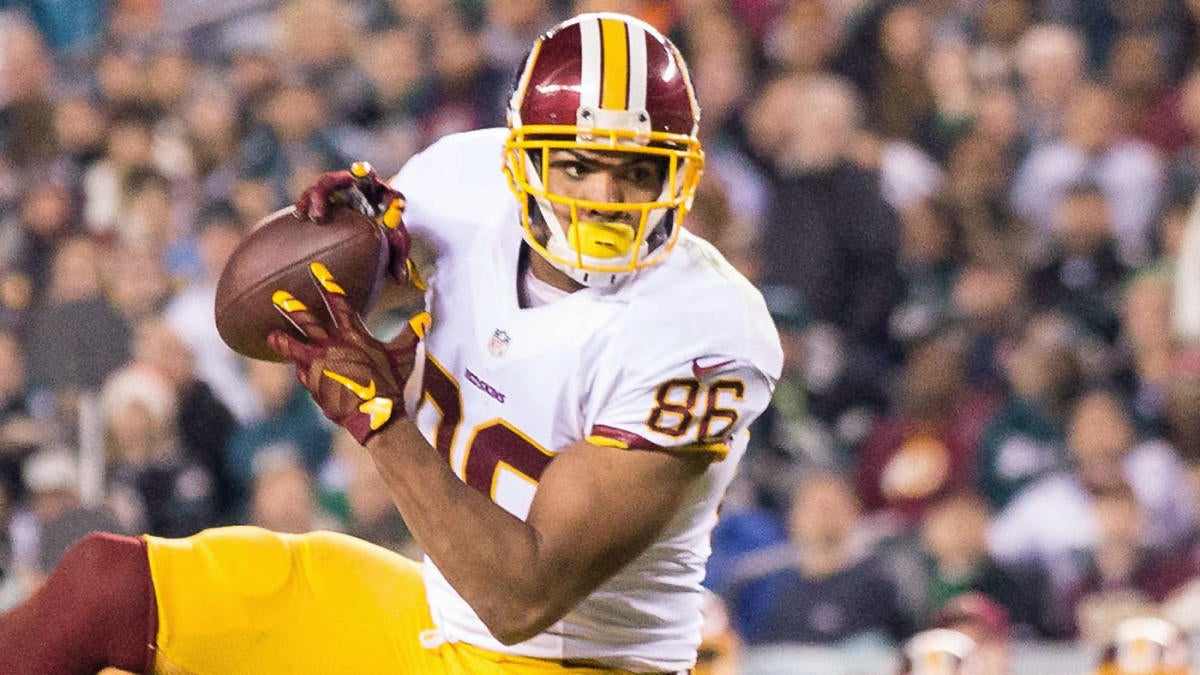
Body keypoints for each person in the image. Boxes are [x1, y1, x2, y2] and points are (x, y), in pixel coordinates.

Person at [0, 12, 782, 674]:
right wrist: (351, 240)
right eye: (576, 166)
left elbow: (522, 598)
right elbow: (293, 312)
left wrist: (384, 423)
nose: (605, 198)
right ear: (523, 162)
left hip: (578, 659)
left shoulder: (705, 338)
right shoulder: (460, 181)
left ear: (680, 178)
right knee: (109, 585)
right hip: (432, 618)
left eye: (637, 172)